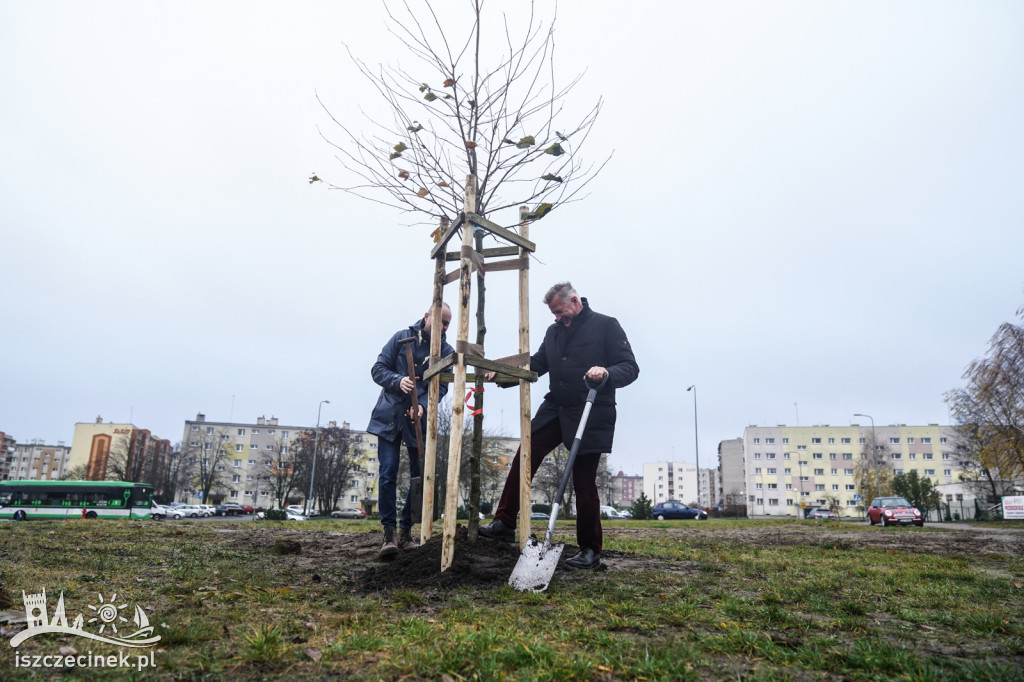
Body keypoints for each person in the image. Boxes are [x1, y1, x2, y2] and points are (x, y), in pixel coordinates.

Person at [479, 282, 639, 569]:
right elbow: (538, 363)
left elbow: (629, 367)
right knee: (526, 453)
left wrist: (605, 371)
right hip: (556, 408)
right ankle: (504, 522)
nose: (557, 318)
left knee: (583, 480)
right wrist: (502, 374)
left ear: (575, 302)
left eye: (561, 311)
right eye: (553, 313)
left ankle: (590, 549)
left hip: (590, 408)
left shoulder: (606, 325)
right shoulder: (553, 332)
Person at [367, 303, 454, 560]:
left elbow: (443, 387)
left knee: (419, 476)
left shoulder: (445, 352)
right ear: (427, 317)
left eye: (448, 324)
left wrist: (424, 406)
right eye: (440, 321)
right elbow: (377, 369)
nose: (443, 327)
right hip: (390, 417)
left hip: (418, 421)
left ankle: (406, 532)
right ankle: (389, 534)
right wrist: (397, 380)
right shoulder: (400, 338)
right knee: (388, 473)